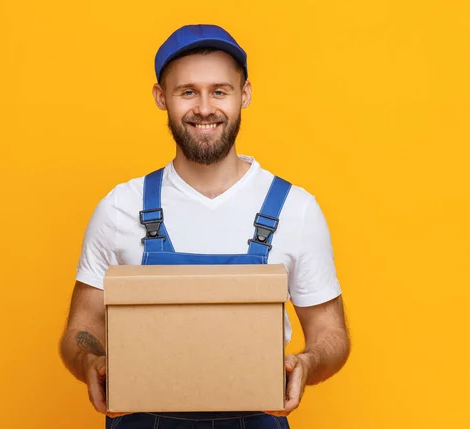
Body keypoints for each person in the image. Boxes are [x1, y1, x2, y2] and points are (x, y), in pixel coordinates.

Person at [59, 24, 351, 429]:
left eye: (219, 90)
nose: (204, 108)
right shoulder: (120, 207)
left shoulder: (295, 210)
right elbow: (82, 327)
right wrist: (90, 360)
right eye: (187, 91)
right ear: (162, 98)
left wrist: (307, 361)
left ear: (244, 94)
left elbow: (330, 332)